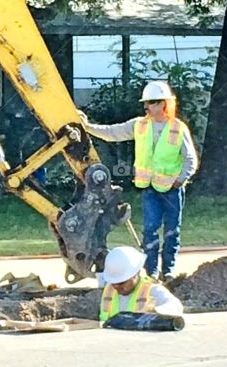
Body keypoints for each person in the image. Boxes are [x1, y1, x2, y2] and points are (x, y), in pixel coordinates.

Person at [80, 79, 198, 279]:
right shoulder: (140, 125)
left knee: (172, 230)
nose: (146, 107)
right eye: (146, 103)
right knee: (150, 229)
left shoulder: (178, 128)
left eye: (151, 102)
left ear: (163, 104)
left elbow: (190, 159)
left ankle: (168, 270)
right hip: (150, 188)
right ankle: (151, 271)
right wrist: (87, 127)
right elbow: (112, 133)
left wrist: (180, 179)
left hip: (172, 190)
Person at [98, 245, 183, 324]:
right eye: (113, 282)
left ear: (136, 274)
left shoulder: (151, 290)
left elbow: (176, 306)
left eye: (121, 282)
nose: (116, 287)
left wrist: (157, 311)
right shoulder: (109, 290)